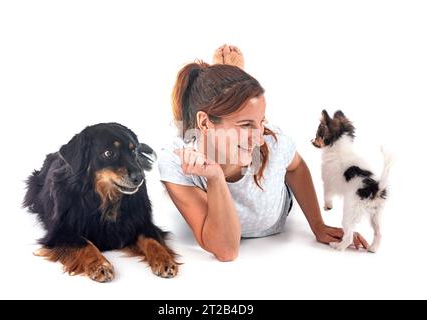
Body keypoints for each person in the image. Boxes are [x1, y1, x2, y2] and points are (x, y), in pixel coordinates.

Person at [158, 44, 369, 261]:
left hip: (273, 201)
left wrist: (317, 224)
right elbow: (226, 251)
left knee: (258, 137)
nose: (258, 138)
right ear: (205, 122)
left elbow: (295, 167)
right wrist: (215, 177)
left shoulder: (273, 143)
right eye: (246, 124)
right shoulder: (176, 162)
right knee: (190, 131)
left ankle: (232, 87)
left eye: (260, 122)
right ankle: (227, 88)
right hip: (202, 141)